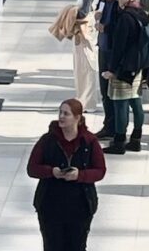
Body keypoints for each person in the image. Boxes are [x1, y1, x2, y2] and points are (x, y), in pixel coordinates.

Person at [26, 98, 106, 251]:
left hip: (80, 205)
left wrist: (80, 175)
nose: (61, 117)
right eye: (60, 113)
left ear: (77, 118)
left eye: (66, 114)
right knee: (52, 245)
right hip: (50, 204)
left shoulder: (89, 142)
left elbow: (100, 170)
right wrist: (51, 172)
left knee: (77, 246)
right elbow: (32, 168)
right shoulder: (47, 140)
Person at [102, 0, 149, 155]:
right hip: (138, 67)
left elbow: (118, 47)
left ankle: (119, 141)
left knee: (120, 104)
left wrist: (111, 69)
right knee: (136, 102)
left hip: (123, 68)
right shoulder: (143, 14)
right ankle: (136, 138)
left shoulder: (125, 18)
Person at [94, 0, 121, 141]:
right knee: (104, 90)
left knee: (115, 91)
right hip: (103, 48)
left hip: (114, 51)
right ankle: (108, 124)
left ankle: (117, 126)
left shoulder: (120, 1)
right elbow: (101, 10)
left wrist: (106, 28)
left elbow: (123, 26)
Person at [73, 0, 100, 112]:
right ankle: (82, 97)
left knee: (86, 65)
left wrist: (71, 14)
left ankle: (87, 101)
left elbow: (85, 11)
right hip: (81, 29)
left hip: (86, 30)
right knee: (80, 66)